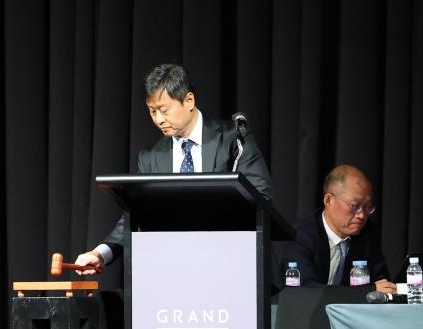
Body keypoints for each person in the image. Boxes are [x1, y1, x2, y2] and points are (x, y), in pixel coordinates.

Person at [75, 63, 274, 272]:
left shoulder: (233, 139)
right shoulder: (151, 157)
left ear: (189, 101)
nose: (159, 119)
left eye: (164, 110)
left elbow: (262, 194)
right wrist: (101, 253)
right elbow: (137, 215)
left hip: (233, 264)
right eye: (152, 111)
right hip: (176, 271)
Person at [281, 164, 395, 293]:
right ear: (328, 200)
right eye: (355, 206)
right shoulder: (301, 235)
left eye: (367, 207)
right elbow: (305, 289)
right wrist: (364, 292)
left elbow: (381, 282)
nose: (362, 215)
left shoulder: (367, 232)